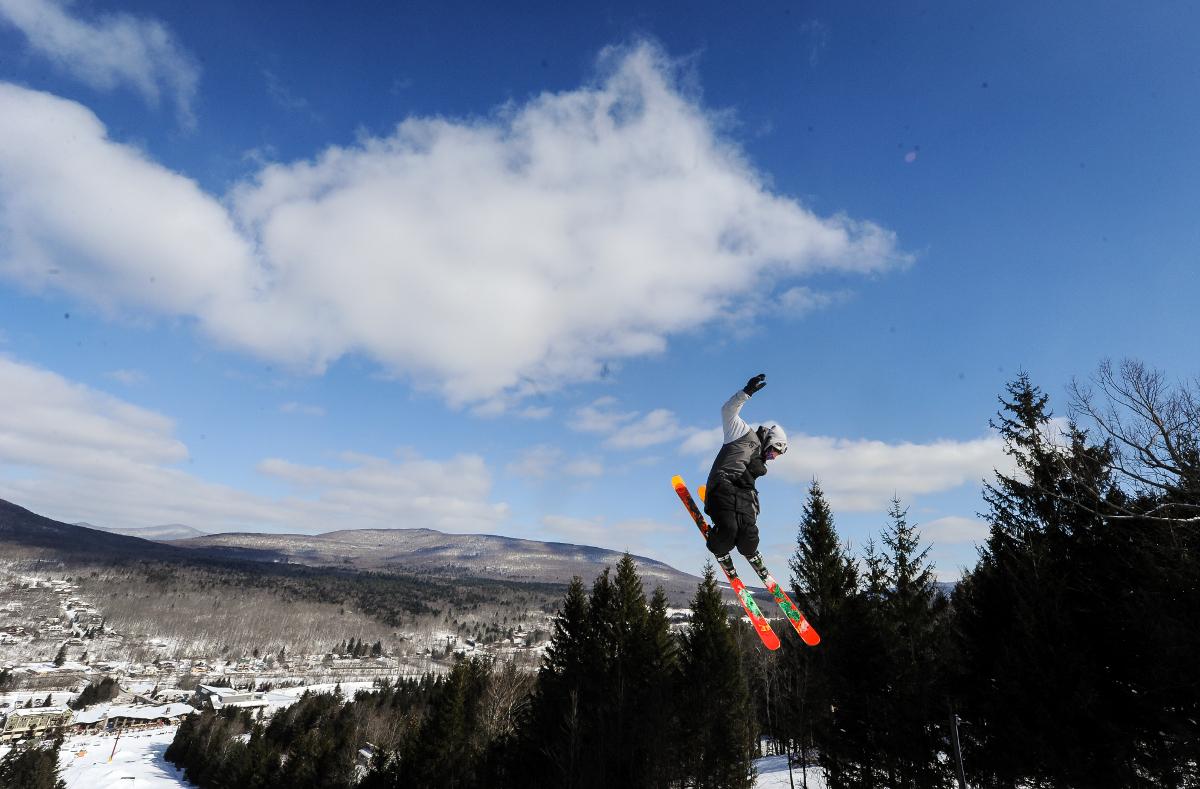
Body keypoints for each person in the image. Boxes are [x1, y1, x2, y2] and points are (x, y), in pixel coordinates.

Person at [703, 373, 788, 572]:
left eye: (777, 454)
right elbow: (727, 411)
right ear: (769, 440)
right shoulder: (742, 434)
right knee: (730, 530)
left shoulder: (760, 461)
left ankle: (750, 551)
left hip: (743, 495)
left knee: (748, 535)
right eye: (774, 450)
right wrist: (746, 393)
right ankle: (719, 546)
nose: (774, 456)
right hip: (723, 485)